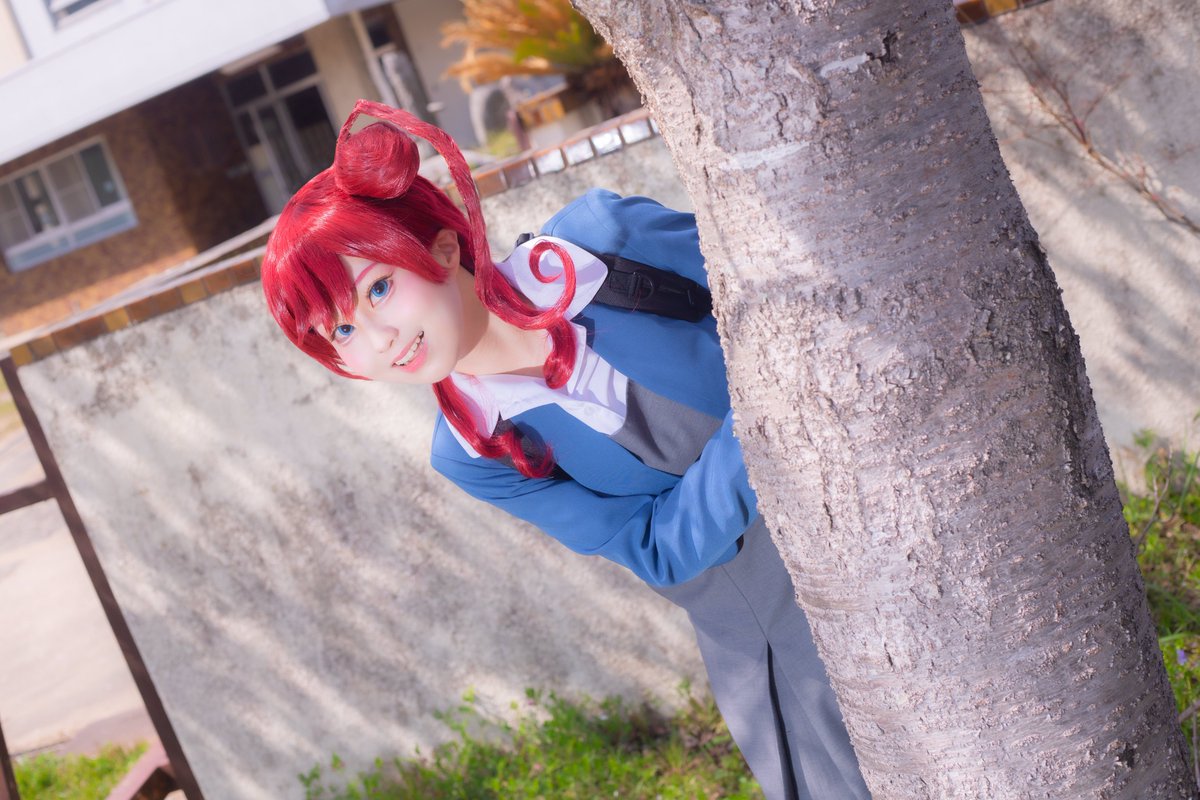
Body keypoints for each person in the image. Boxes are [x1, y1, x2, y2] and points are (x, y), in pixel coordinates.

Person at [262, 99, 870, 800]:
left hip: (884, 499)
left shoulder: (601, 245)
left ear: (442, 248)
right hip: (791, 638)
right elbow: (657, 550)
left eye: (378, 288)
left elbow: (781, 298)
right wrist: (774, 417)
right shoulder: (472, 452)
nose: (380, 340)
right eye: (340, 331)